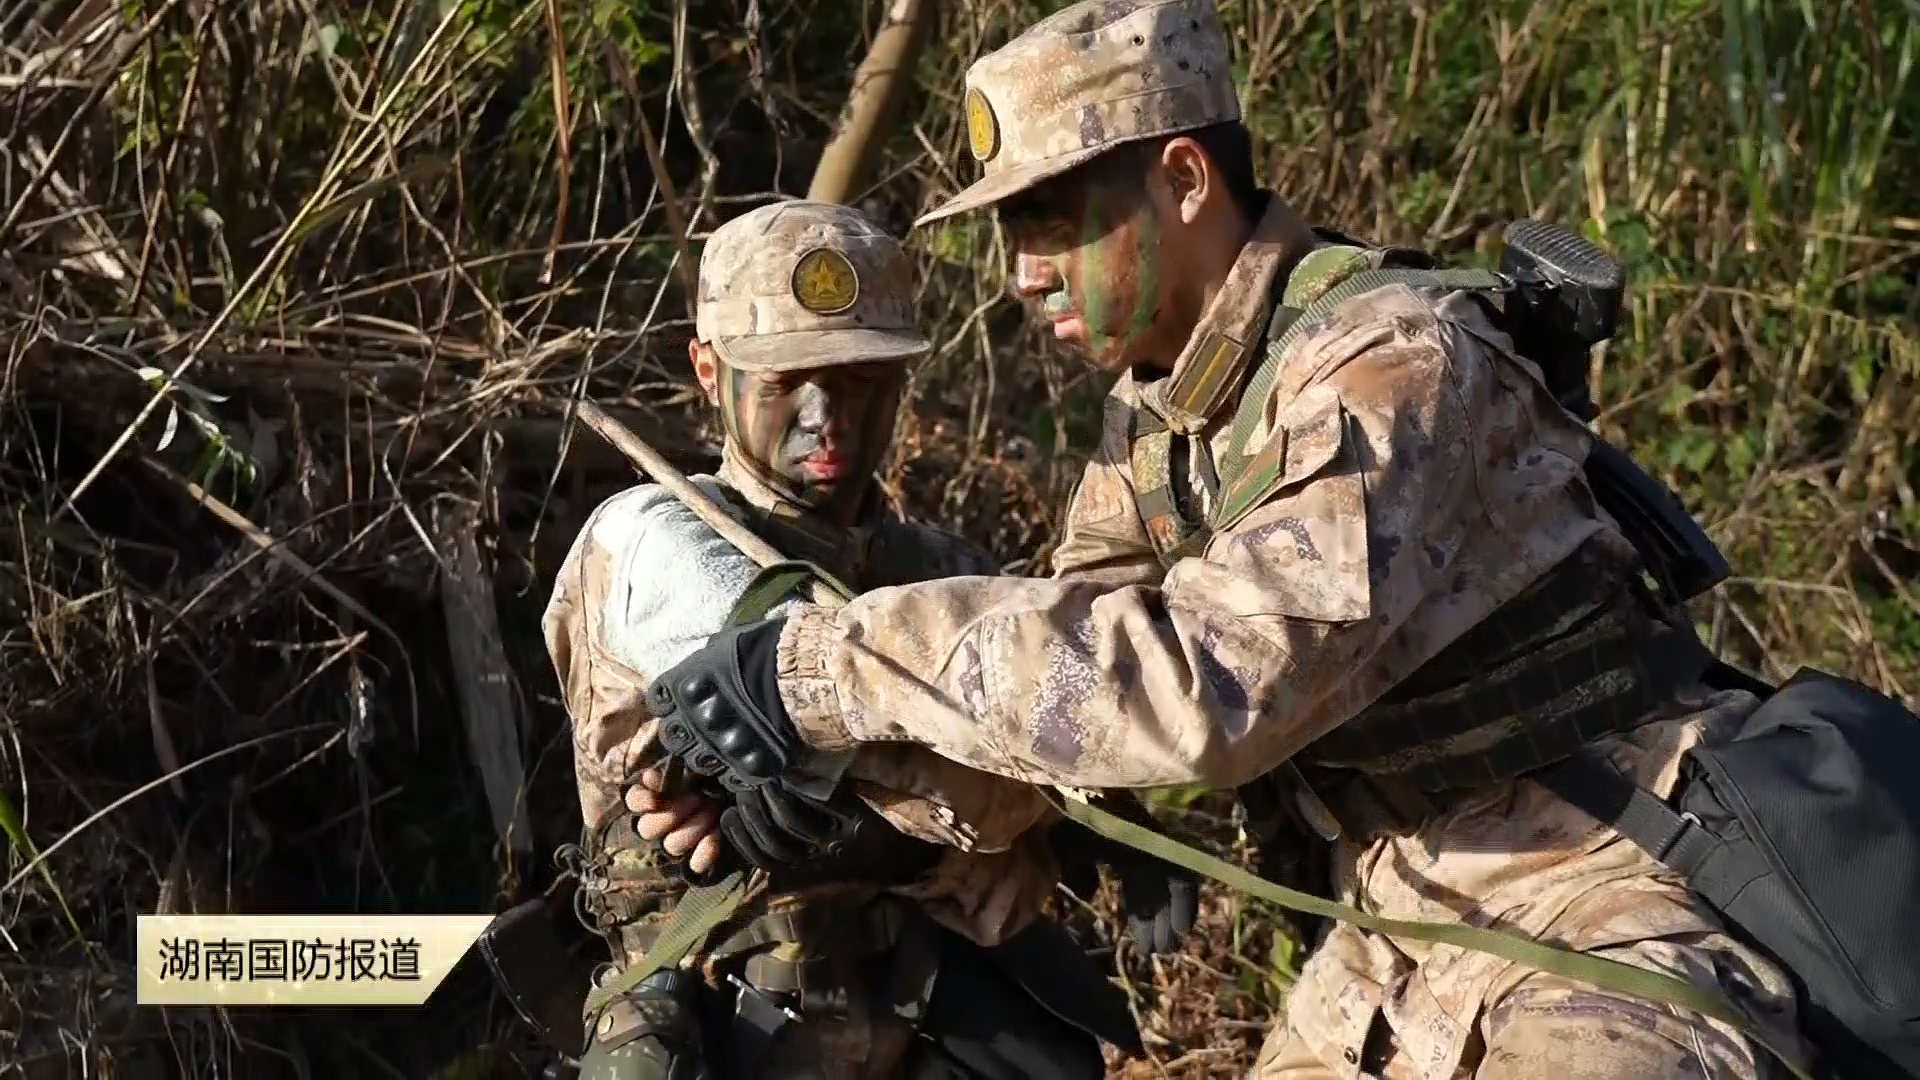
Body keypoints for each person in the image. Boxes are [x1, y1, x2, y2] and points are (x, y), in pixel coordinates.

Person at [628, 2, 1821, 1078]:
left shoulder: (1392, 365)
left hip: (1606, 903)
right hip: (1400, 927)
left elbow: (1204, 686)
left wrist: (819, 672)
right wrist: (848, 808)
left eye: (1047, 225)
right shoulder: (1160, 420)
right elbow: (1070, 697)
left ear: (1185, 178)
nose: (1021, 278)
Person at [542, 198, 1160, 1080]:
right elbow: (819, 674)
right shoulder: (648, 544)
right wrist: (1023, 785)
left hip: (913, 1011)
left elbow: (1075, 705)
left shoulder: (932, 568)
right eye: (788, 377)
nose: (825, 413)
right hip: (726, 1021)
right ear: (707, 371)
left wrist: (1100, 816)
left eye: (859, 379)